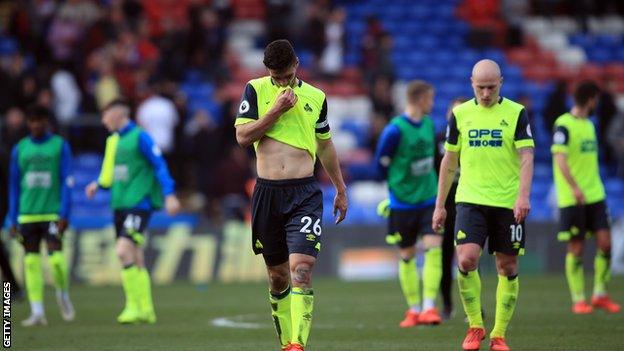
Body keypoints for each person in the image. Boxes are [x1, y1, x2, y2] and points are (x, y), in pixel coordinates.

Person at [234, 39, 348, 351]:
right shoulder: (255, 90)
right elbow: (243, 136)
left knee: (301, 269)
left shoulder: (316, 96)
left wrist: (340, 188)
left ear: (296, 64)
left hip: (304, 192)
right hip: (268, 192)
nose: (281, 82)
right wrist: (275, 111)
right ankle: (287, 341)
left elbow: (325, 145)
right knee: (277, 277)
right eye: (275, 76)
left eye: (285, 75)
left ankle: (298, 344)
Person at [433, 59, 534, 351]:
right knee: (465, 259)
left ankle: (499, 333)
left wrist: (523, 195)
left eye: (491, 87)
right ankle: (475, 325)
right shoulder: (460, 114)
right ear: (471, 84)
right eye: (480, 88)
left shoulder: (516, 113)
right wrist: (440, 205)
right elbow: (449, 161)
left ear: (501, 82)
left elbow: (527, 156)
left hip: (507, 201)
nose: (486, 93)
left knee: (507, 265)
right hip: (470, 199)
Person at [85, 99, 181, 324]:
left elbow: (159, 164)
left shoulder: (141, 137)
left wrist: (169, 194)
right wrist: (97, 184)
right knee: (135, 256)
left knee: (122, 250)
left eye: (105, 115)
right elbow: (109, 175)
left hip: (139, 203)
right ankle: (147, 310)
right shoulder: (112, 141)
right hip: (119, 204)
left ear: (118, 114)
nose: (102, 120)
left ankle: (132, 307)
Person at [374, 80, 442, 327]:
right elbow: (379, 165)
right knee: (407, 255)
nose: (432, 104)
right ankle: (413, 309)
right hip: (403, 203)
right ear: (421, 99)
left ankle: (429, 307)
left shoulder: (429, 124)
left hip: (428, 199)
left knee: (434, 248)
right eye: (430, 99)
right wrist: (393, 192)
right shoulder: (395, 130)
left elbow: (435, 160)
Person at [551, 80, 620, 315]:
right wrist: (575, 187)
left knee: (606, 244)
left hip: (595, 194)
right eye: (596, 99)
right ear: (591, 99)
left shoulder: (590, 125)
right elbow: (560, 160)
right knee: (577, 248)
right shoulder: (563, 125)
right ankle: (578, 299)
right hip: (573, 197)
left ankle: (600, 293)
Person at [8, 105, 75, 326]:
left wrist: (64, 213)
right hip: (27, 214)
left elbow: (67, 181)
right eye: (32, 120)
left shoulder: (59, 146)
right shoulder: (20, 148)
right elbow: (14, 185)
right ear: (28, 123)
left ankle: (62, 294)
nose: (36, 124)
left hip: (53, 212)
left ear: (47, 122)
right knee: (31, 263)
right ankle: (37, 311)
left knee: (56, 260)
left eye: (40, 120)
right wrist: (13, 217)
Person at [435, 97, 466, 320]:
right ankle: (446, 305)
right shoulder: (438, 139)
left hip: (467, 202)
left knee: (467, 256)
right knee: (445, 257)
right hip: (445, 204)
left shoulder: (472, 139)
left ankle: (472, 309)